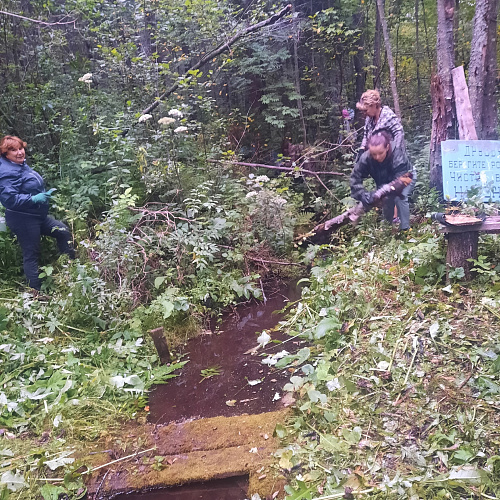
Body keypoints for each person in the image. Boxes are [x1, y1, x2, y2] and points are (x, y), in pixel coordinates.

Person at [0, 135, 75, 290]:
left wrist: (42, 195)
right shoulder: (7, 172)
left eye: (21, 148)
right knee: (31, 254)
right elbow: (9, 199)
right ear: (6, 154)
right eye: (14, 150)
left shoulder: (20, 165)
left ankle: (70, 270)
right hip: (23, 219)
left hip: (37, 215)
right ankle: (36, 295)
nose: (20, 152)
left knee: (62, 231)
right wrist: (34, 198)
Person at [350, 131, 415, 231]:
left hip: (406, 177)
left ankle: (405, 229)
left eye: (380, 153)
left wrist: (382, 191)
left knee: (400, 198)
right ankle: (388, 229)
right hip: (384, 181)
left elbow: (401, 181)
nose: (377, 157)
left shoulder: (397, 154)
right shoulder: (366, 158)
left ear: (387, 147)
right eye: (374, 154)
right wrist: (363, 195)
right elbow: (355, 177)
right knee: (386, 202)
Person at [356, 89, 405, 156]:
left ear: (374, 105)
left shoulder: (387, 115)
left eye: (366, 110)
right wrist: (362, 148)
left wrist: (396, 150)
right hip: (376, 156)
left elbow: (399, 132)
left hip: (390, 154)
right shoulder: (369, 119)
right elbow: (366, 135)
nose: (364, 113)